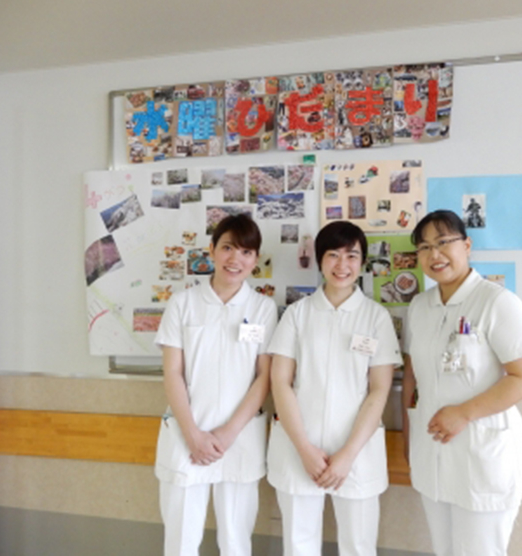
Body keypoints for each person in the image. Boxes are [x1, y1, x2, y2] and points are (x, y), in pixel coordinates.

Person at [401, 210, 522, 556]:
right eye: (424, 247)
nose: (434, 255)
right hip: (432, 451)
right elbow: (413, 377)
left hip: (482, 456)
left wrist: (464, 413)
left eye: (443, 243)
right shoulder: (419, 306)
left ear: (466, 245)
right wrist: (409, 434)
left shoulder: (497, 302)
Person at [267, 221, 400, 556]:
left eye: (351, 256)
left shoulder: (376, 317)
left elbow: (379, 390)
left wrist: (347, 455)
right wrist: (304, 449)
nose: (342, 265)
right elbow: (280, 381)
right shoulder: (297, 314)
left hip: (356, 451)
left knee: (359, 546)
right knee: (299, 545)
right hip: (300, 447)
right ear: (319, 260)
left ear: (363, 261)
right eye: (333, 255)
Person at [154, 214, 277, 556]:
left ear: (256, 259)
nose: (235, 259)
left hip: (239, 438)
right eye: (227, 248)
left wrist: (227, 433)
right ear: (211, 250)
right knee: (180, 542)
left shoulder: (263, 308)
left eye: (246, 252)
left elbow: (264, 376)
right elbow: (172, 373)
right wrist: (193, 435)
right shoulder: (182, 304)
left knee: (236, 542)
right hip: (186, 435)